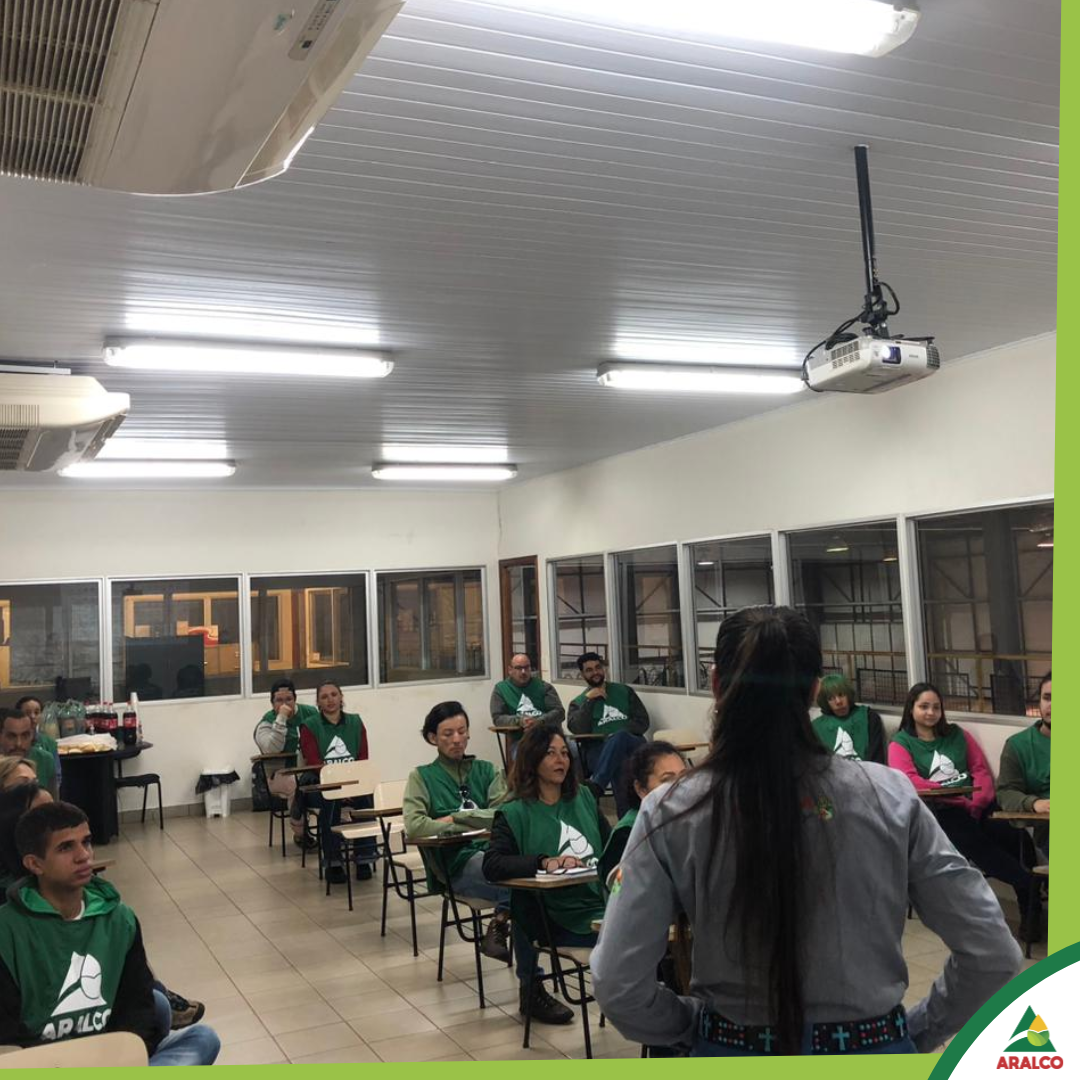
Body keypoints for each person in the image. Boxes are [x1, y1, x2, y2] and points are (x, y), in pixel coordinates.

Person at [591, 605, 1021, 1057]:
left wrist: (691, 1028)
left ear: (716, 684)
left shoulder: (670, 809)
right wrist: (913, 1032)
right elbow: (992, 953)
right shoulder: (890, 796)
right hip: (875, 1049)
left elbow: (617, 983)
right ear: (816, 690)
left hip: (731, 1049)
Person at [0, 802, 220, 1064]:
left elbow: (136, 1006)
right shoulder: (7, 931)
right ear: (35, 864)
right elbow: (7, 1034)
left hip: (107, 1054)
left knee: (202, 1037)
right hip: (43, 1062)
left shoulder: (120, 919)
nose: (84, 855)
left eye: (86, 842)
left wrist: (122, 1059)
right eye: (66, 847)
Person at [888, 682, 1040, 939]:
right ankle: (1030, 887)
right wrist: (958, 798)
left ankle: (1030, 908)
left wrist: (978, 800)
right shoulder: (900, 743)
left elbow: (979, 769)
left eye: (936, 707)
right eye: (923, 707)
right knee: (980, 846)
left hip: (978, 805)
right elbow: (910, 780)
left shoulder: (958, 734)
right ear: (911, 709)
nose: (930, 713)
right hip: (940, 810)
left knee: (1016, 836)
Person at [483, 726, 608, 1027]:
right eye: (551, 753)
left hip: (602, 904)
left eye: (564, 753)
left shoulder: (584, 798)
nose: (560, 760)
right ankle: (531, 988)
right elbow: (493, 864)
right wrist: (543, 862)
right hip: (558, 917)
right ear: (533, 759)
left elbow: (612, 848)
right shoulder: (514, 813)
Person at [402, 701, 511, 962]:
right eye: (448, 734)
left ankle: (501, 920)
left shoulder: (488, 770)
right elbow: (415, 825)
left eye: (462, 731)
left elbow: (503, 816)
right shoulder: (421, 777)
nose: (457, 739)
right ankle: (504, 926)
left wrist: (455, 817)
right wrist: (472, 823)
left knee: (529, 883)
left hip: (494, 853)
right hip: (455, 864)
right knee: (525, 887)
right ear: (433, 738)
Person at [296, 681, 376, 885]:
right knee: (330, 800)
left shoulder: (356, 722)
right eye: (324, 697)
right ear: (318, 703)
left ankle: (364, 857)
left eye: (334, 694)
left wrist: (350, 786)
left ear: (341, 698)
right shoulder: (309, 726)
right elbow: (314, 762)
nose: (330, 700)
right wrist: (340, 787)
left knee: (366, 797)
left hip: (352, 782)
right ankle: (333, 862)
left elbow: (362, 758)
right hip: (320, 784)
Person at [567, 653, 650, 815]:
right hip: (599, 750)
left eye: (598, 667)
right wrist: (589, 702)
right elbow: (577, 729)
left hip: (633, 744)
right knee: (620, 764)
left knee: (620, 737)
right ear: (582, 675)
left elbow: (643, 721)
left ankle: (598, 784)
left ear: (603, 669)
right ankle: (627, 820)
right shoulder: (578, 702)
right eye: (589, 670)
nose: (595, 672)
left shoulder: (624, 691)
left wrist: (618, 735)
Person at [597, 741, 685, 884]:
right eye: (667, 780)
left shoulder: (691, 823)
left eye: (683, 777)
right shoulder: (626, 833)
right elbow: (618, 888)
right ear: (641, 789)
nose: (679, 786)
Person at [997, 671, 1050, 854]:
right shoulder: (1018, 745)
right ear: (1039, 702)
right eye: (1047, 698)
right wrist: (1033, 803)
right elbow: (1005, 793)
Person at [810, 674, 886, 764]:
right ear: (825, 702)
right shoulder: (816, 727)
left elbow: (877, 760)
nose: (838, 702)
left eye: (841, 695)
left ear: (848, 695)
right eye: (831, 698)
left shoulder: (869, 717)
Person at [490, 655, 565, 739]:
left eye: (526, 667)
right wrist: (520, 721)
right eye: (518, 668)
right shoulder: (501, 689)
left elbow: (560, 712)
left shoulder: (544, 687)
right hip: (521, 740)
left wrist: (540, 721)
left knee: (571, 746)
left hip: (549, 737)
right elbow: (498, 719)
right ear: (510, 670)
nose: (523, 672)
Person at [252, 679, 319, 757]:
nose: (284, 704)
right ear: (272, 703)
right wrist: (281, 718)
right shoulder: (266, 723)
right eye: (279, 700)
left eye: (288, 699)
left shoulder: (310, 713)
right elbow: (272, 750)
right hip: (280, 764)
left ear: (295, 700)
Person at [0, 710, 56, 799]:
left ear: (32, 735)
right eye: (11, 736)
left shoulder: (45, 760)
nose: (19, 743)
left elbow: (53, 803)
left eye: (25, 736)